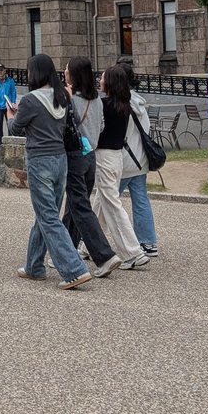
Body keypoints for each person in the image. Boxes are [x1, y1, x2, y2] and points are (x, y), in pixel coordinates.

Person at [7, 53, 93, 290]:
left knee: (48, 217)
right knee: (47, 214)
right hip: (61, 161)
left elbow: (16, 129)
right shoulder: (63, 97)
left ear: (34, 73)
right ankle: (34, 266)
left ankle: (74, 270)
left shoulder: (30, 100)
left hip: (40, 161)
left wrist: (10, 114)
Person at [62, 56, 121, 277]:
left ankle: (104, 256)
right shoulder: (97, 100)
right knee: (75, 207)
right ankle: (65, 251)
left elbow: (68, 124)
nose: (65, 73)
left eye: (67, 70)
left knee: (80, 207)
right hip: (91, 157)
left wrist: (66, 99)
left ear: (74, 75)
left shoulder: (71, 99)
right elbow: (102, 125)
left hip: (75, 156)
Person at [95, 64, 151, 270]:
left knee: (111, 204)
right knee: (101, 203)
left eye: (102, 78)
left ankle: (132, 252)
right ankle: (87, 244)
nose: (99, 81)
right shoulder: (125, 105)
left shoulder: (103, 104)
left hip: (105, 156)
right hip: (117, 157)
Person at [116, 56, 160, 258]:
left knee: (107, 201)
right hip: (140, 159)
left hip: (124, 160)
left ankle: (88, 242)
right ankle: (148, 241)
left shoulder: (120, 104)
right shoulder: (140, 103)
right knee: (141, 200)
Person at [0, 64, 17, 145]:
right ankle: (0, 141)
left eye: (2, 70)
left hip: (8, 105)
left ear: (5, 70)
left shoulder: (10, 81)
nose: (0, 72)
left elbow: (13, 92)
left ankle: (10, 140)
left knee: (10, 123)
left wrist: (13, 102)